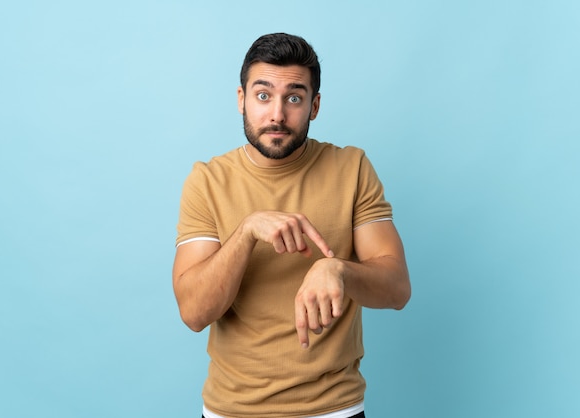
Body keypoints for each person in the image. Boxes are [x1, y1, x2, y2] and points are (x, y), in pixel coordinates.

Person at [173, 32, 411, 418]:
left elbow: (398, 289)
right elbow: (195, 313)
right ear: (241, 100)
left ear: (314, 106)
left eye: (294, 98)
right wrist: (247, 231)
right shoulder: (207, 180)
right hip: (232, 409)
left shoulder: (351, 168)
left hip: (336, 408)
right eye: (263, 95)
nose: (277, 114)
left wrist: (337, 269)